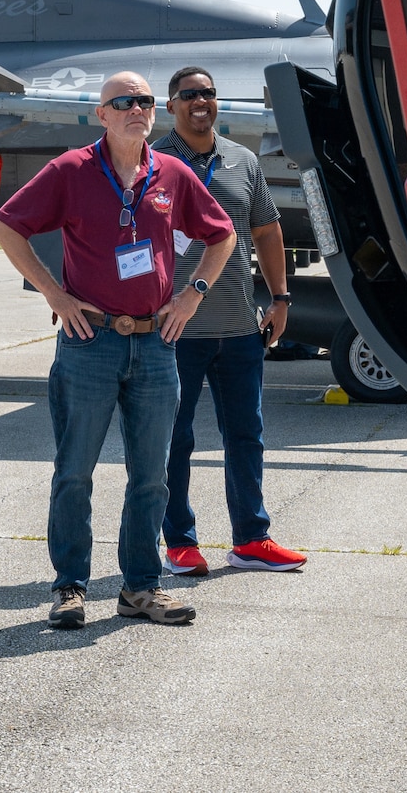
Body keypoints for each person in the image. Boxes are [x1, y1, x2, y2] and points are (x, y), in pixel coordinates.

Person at [0, 72, 236, 629]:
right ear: (101, 114)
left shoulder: (171, 173)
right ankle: (71, 587)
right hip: (89, 341)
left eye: (145, 101)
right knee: (75, 471)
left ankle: (141, 588)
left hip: (154, 343)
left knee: (151, 475)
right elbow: (6, 227)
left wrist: (191, 295)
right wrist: (53, 292)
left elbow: (221, 235)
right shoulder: (71, 170)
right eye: (122, 102)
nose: (136, 109)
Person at [153, 67, 308, 576]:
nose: (201, 101)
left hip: (241, 327)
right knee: (175, 439)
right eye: (190, 94)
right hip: (175, 332)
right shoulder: (152, 161)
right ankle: (179, 540)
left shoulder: (242, 160)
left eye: (209, 93)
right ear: (171, 105)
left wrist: (281, 297)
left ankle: (251, 539)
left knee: (246, 434)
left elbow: (266, 230)